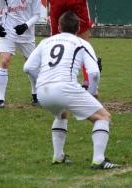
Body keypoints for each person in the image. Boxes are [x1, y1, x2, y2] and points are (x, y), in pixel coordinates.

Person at [23, 11, 120, 170]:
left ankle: (58, 156)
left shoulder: (46, 42)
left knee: (62, 113)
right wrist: (92, 93)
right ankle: (98, 160)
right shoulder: (82, 43)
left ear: (59, 27)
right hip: (65, 87)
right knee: (103, 117)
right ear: (78, 28)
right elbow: (94, 73)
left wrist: (42, 80)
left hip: (42, 91)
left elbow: (28, 67)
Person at [0, 0, 41, 108]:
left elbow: (37, 14)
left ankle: (35, 95)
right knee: (5, 61)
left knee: (32, 66)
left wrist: (26, 25)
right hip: (8, 33)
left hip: (26, 34)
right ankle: (1, 99)